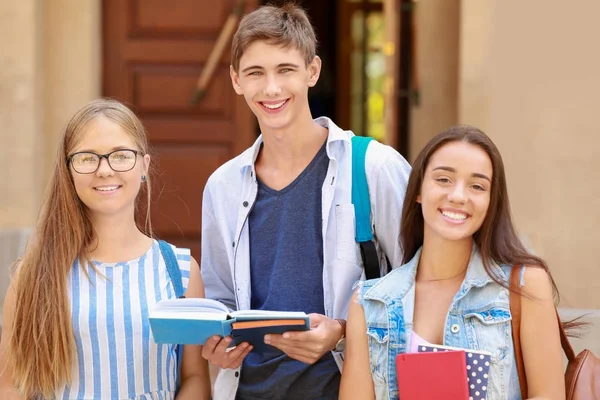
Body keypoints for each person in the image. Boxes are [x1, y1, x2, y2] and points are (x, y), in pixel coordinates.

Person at [199, 3, 411, 400]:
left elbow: (424, 287)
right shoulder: (222, 187)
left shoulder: (373, 167)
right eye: (255, 73)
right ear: (235, 80)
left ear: (312, 71)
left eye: (286, 70)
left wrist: (344, 335)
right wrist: (217, 346)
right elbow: (222, 301)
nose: (272, 89)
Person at [0, 98, 211, 399]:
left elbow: (195, 378)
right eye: (87, 158)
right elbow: (11, 384)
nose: (105, 170)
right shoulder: (33, 275)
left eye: (121, 156)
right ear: (68, 171)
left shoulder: (181, 272)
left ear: (144, 165)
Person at [340, 125, 566, 400]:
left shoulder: (525, 284)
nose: (459, 196)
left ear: (491, 202)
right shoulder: (368, 304)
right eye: (444, 179)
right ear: (418, 191)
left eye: (477, 186)